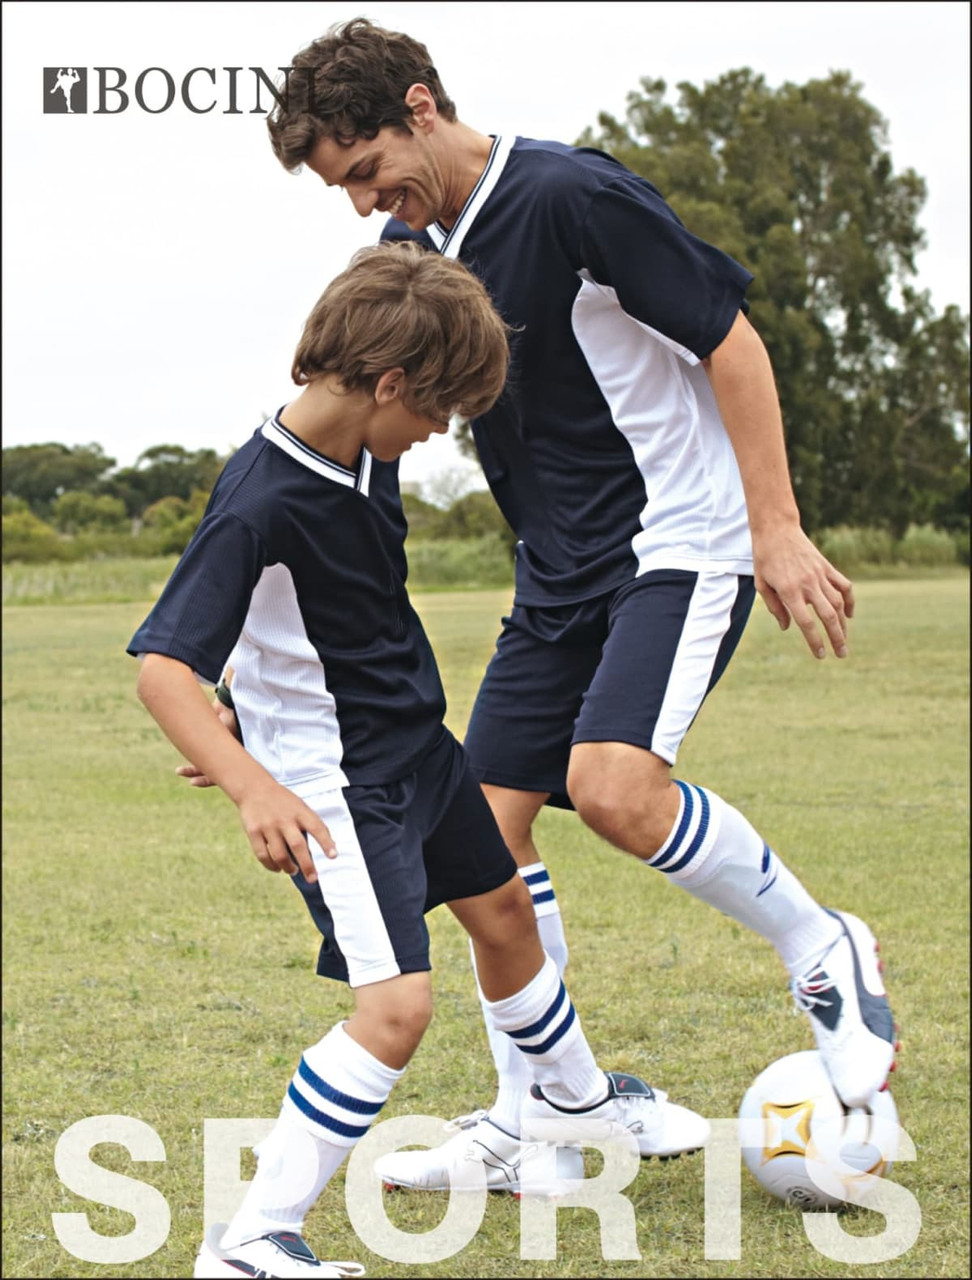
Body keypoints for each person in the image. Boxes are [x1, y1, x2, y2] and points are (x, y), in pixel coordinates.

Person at [263, 18, 898, 1192]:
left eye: (364, 171)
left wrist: (776, 527)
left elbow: (733, 342)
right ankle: (546, 1116)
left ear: (418, 106)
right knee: (480, 848)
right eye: (342, 190)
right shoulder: (427, 249)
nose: (362, 205)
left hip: (676, 542)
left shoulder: (568, 195)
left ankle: (823, 943)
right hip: (554, 577)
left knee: (614, 786)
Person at [128, 242, 709, 1280]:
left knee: (507, 914)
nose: (439, 432)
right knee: (395, 1008)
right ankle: (251, 1239)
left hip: (419, 751)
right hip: (338, 789)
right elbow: (167, 667)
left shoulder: (367, 448)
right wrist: (253, 775)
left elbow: (294, 625)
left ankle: (574, 1108)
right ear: (389, 383)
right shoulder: (260, 499)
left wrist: (244, 716)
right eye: (436, 410)